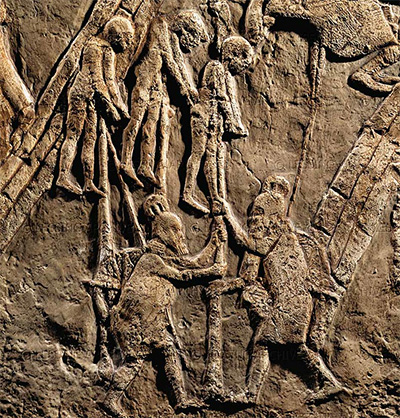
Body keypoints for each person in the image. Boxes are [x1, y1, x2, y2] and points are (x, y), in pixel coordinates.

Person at [208, 176, 343, 404]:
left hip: (292, 302)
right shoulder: (273, 236)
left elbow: (251, 244)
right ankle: (329, 382)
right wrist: (224, 286)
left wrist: (228, 216)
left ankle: (251, 395)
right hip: (290, 302)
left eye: (259, 214)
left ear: (271, 215)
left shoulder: (279, 234)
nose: (254, 219)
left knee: (264, 343)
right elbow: (247, 278)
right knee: (294, 347)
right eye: (253, 214)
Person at [103, 194, 227, 417]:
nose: (180, 236)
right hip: (134, 321)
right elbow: (183, 275)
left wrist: (214, 243)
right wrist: (212, 272)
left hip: (149, 321)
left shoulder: (166, 257)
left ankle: (180, 401)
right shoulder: (152, 259)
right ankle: (111, 400)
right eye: (176, 231)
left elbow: (193, 262)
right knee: (135, 362)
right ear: (164, 232)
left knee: (166, 350)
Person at [120, 11, 209, 187]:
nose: (192, 47)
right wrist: (184, 87)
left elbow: (178, 61)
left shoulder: (172, 38)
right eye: (194, 39)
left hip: (156, 86)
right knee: (136, 121)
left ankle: (145, 165)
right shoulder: (160, 25)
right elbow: (169, 59)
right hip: (144, 83)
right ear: (186, 30)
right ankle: (126, 162)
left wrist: (188, 87)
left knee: (150, 125)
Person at [56, 16, 134, 197]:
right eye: (128, 38)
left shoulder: (107, 50)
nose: (129, 44)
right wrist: (113, 109)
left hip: (92, 98)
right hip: (81, 94)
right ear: (118, 36)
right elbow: (97, 80)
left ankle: (88, 181)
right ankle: (62, 176)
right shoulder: (95, 46)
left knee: (90, 139)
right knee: (73, 135)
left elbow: (110, 83)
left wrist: (120, 107)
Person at [182, 36, 253, 214]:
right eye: (242, 63)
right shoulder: (216, 67)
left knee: (211, 156)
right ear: (233, 55)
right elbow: (221, 96)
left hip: (214, 122)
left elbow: (228, 100)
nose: (242, 69)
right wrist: (232, 121)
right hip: (202, 116)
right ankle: (187, 193)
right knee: (198, 153)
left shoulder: (227, 76)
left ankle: (214, 197)